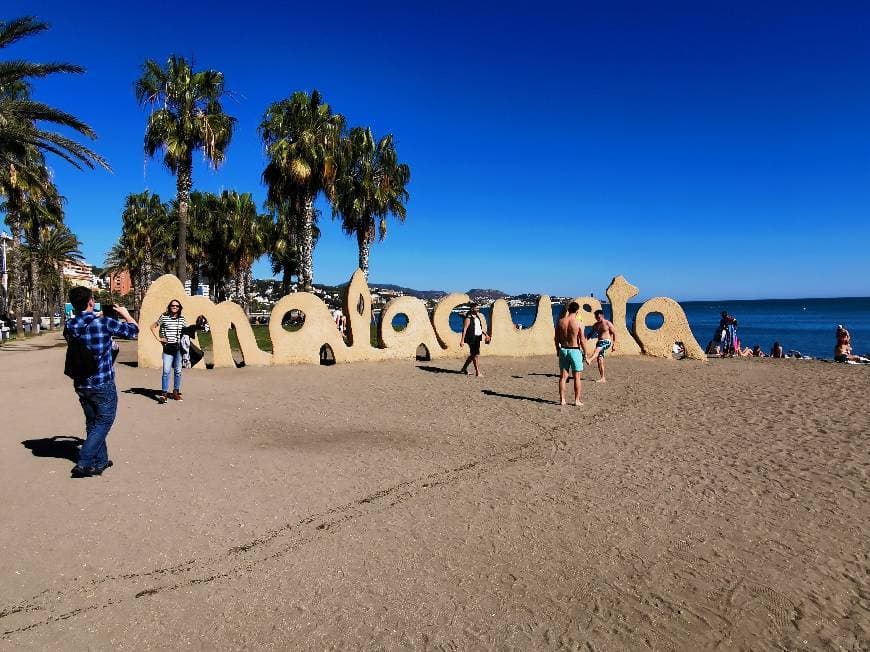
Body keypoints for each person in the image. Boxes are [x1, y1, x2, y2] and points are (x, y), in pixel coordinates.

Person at [64, 286, 139, 478]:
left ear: (73, 305)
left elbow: (81, 328)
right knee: (104, 421)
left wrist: (92, 315)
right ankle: (84, 462)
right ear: (91, 302)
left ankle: (101, 461)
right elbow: (133, 331)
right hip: (102, 382)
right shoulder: (104, 323)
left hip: (81, 384)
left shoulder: (70, 325)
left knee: (92, 421)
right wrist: (125, 314)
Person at [151, 299, 187, 403]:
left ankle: (175, 392)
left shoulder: (182, 319)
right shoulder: (164, 317)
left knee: (178, 371)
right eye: (173, 305)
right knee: (166, 371)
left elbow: (186, 332)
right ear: (169, 306)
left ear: (179, 308)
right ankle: (164, 394)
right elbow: (152, 327)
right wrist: (159, 338)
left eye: (177, 306)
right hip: (168, 348)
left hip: (179, 348)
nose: (174, 307)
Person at [555, 302, 588, 406]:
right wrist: (586, 353)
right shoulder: (579, 323)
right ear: (577, 311)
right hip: (574, 350)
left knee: (563, 377)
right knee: (577, 377)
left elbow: (556, 339)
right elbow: (582, 340)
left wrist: (557, 350)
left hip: (563, 350)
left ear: (568, 310)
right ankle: (577, 400)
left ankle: (562, 400)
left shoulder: (560, 322)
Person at [459, 303, 490, 376]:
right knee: (475, 355)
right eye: (476, 308)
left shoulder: (477, 317)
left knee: (473, 355)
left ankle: (464, 369)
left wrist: (485, 334)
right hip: (471, 338)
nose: (478, 309)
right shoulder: (468, 318)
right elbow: (465, 329)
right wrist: (462, 340)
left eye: (478, 308)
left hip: (477, 337)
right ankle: (478, 372)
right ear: (472, 308)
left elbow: (478, 328)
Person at [586, 309, 617, 382]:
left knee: (597, 350)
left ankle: (590, 359)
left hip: (606, 341)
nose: (598, 319)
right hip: (599, 342)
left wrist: (614, 344)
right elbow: (590, 334)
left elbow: (614, 333)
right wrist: (584, 341)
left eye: (599, 317)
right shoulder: (596, 325)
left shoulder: (607, 323)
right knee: (600, 361)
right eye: (596, 317)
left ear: (603, 316)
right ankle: (603, 378)